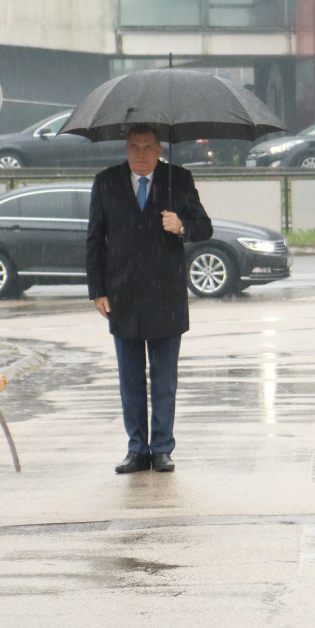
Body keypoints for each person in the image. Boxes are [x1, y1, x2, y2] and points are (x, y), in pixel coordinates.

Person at [86, 123, 213, 475]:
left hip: (165, 295)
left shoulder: (178, 180)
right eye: (133, 147)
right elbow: (95, 240)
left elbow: (205, 226)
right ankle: (136, 448)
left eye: (146, 147)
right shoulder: (107, 181)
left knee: (163, 378)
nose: (139, 154)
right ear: (125, 149)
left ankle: (161, 448)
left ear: (159, 150)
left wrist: (182, 224)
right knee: (130, 379)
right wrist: (98, 290)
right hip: (122, 295)